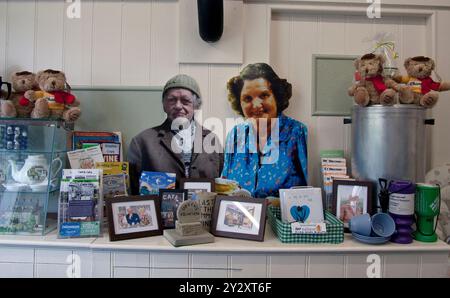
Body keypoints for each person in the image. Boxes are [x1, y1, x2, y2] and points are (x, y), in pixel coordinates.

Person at [221, 63, 307, 198]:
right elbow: (224, 188)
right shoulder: (235, 134)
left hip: (279, 217)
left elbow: (305, 193)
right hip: (239, 217)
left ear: (276, 97)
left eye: (264, 95)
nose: (256, 105)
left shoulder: (296, 131)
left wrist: (278, 204)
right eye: (247, 98)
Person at [128, 74, 223, 194]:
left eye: (185, 101)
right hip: (159, 212)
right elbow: (132, 192)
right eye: (172, 100)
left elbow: (221, 185)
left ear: (196, 105)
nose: (178, 106)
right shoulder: (142, 142)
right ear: (164, 105)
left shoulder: (212, 140)